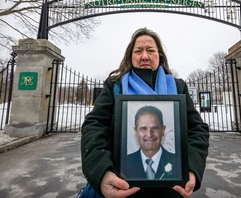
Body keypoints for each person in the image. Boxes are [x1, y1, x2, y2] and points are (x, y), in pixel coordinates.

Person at [80, 27, 209, 198]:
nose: (145, 56)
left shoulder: (178, 87)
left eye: (150, 50)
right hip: (120, 186)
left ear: (159, 55)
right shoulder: (115, 85)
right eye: (138, 51)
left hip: (171, 186)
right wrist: (101, 171)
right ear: (130, 56)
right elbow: (94, 125)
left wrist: (192, 169)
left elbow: (197, 129)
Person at [123, 105, 180, 180]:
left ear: (163, 130)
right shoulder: (124, 163)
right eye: (143, 129)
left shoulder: (177, 162)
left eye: (155, 128)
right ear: (135, 131)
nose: (149, 134)